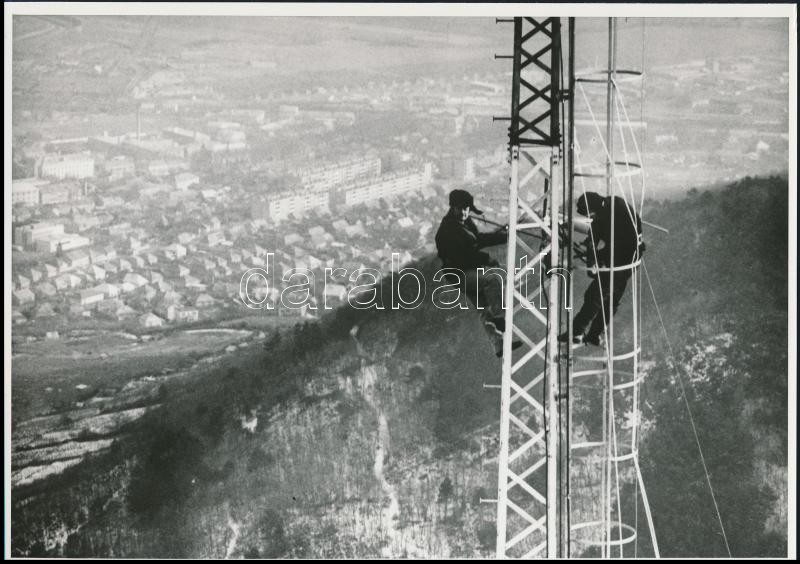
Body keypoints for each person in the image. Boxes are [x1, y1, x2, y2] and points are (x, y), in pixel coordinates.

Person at [435, 189, 522, 357]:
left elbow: (478, 239)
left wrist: (504, 236)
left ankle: (499, 345)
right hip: (459, 273)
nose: (464, 212)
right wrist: (487, 258)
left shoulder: (464, 223)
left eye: (466, 209)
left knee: (483, 308)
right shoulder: (447, 230)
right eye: (460, 208)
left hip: (466, 271)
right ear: (452, 207)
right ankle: (500, 319)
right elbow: (463, 256)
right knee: (492, 279)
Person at [560, 191, 645, 346]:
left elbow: (618, 241)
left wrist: (596, 258)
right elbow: (596, 231)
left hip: (626, 259)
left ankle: (576, 332)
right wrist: (592, 249)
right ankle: (593, 334)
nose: (591, 218)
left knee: (595, 294)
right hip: (624, 257)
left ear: (595, 208)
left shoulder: (616, 212)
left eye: (590, 214)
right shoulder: (608, 207)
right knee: (611, 299)